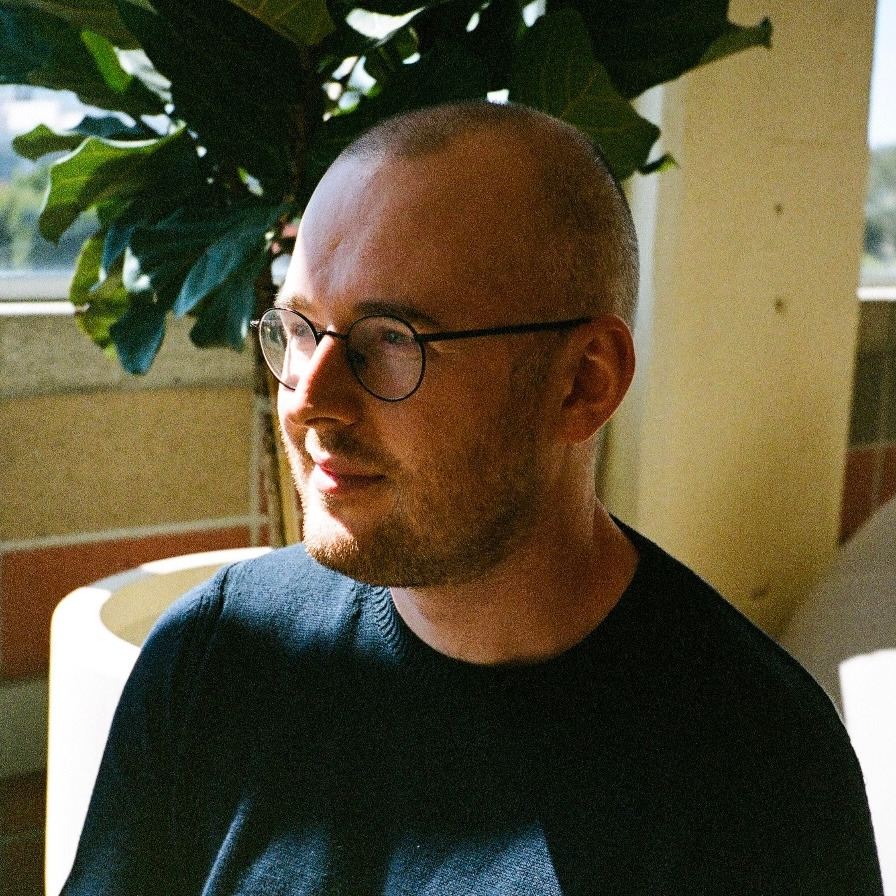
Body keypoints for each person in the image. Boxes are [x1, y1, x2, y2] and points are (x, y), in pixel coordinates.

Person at [61, 101, 883, 895]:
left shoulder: (760, 775)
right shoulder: (216, 657)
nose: (310, 399)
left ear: (583, 383)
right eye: (300, 327)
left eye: (392, 339)